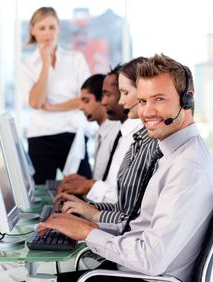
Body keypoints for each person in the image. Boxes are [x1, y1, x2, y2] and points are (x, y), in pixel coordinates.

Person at [0, 54, 213, 282]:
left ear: (187, 100)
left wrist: (87, 232)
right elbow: (141, 229)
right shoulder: (173, 154)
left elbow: (150, 258)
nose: (147, 110)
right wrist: (86, 222)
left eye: (159, 99)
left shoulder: (188, 168)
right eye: (144, 100)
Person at [54, 57, 158, 225]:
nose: (103, 102)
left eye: (124, 93)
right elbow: (124, 206)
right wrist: (86, 207)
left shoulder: (143, 140)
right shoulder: (128, 136)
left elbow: (127, 208)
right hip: (115, 223)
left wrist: (90, 205)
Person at [19, 7, 92, 184]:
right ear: (33, 30)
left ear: (58, 28)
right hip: (41, 136)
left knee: (84, 189)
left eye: (52, 27)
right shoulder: (26, 65)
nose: (47, 33)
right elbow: (36, 102)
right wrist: (45, 64)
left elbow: (86, 99)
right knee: (40, 193)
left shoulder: (75, 59)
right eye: (42, 28)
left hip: (72, 133)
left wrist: (52, 107)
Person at [57, 65, 143, 203]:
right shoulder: (117, 133)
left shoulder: (132, 136)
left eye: (125, 93)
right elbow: (110, 185)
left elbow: (122, 199)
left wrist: (89, 185)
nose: (104, 102)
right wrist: (86, 183)